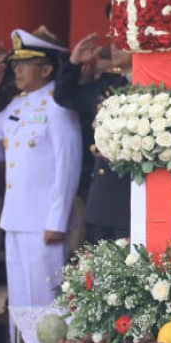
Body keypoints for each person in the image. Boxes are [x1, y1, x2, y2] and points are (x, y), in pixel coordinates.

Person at [0, 29, 83, 343]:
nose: (17, 71)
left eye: (26, 64)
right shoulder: (17, 106)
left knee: (47, 308)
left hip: (43, 225)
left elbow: (68, 165)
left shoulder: (58, 106)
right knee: (20, 306)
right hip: (16, 221)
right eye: (16, 64)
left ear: (47, 70)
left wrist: (57, 220)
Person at [54, 29, 132, 242]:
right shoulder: (109, 85)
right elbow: (64, 97)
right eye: (113, 40)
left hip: (132, 196)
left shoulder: (151, 85)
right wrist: (74, 62)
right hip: (103, 199)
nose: (113, 46)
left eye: (122, 40)